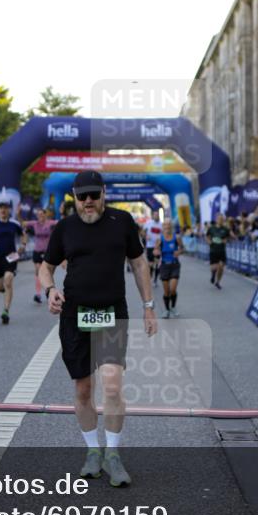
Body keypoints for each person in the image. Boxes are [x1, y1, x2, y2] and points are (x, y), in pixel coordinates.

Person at [39, 170, 157, 487]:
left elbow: (139, 263)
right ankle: (93, 450)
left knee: (113, 384)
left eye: (94, 195)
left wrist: (148, 306)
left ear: (104, 193)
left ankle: (114, 455)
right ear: (74, 198)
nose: (88, 202)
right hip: (75, 314)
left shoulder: (122, 223)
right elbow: (46, 267)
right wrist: (50, 291)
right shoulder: (64, 228)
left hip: (111, 311)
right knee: (83, 389)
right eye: (82, 197)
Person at [0, 200, 27, 324]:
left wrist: (23, 245)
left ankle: (6, 311)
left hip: (11, 256)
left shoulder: (14, 223)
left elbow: (23, 234)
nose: (3, 210)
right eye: (1, 208)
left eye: (5, 208)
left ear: (9, 210)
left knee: (8, 280)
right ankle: (6, 290)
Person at [24, 207, 56, 304]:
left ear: (45, 215)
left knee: (49, 274)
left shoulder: (50, 223)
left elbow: (62, 223)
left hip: (48, 252)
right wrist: (18, 215)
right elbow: (23, 223)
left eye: (42, 214)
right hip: (37, 251)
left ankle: (50, 291)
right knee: (38, 272)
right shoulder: (34, 223)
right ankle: (38, 294)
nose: (40, 216)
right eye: (39, 215)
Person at [155, 218, 184, 318]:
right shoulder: (160, 238)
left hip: (174, 265)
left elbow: (183, 248)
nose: (167, 226)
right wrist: (157, 252)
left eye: (169, 224)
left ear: (171, 226)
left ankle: (173, 307)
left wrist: (179, 252)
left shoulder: (177, 237)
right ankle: (166, 310)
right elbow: (155, 250)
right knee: (166, 291)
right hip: (164, 266)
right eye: (165, 224)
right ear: (163, 226)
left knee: (173, 289)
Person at [141, 210, 163, 284]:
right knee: (150, 264)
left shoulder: (161, 224)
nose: (157, 216)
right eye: (155, 215)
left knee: (157, 263)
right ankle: (150, 276)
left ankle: (155, 280)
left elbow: (163, 234)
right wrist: (145, 236)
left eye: (158, 215)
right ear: (153, 216)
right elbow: (142, 232)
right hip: (150, 246)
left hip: (157, 247)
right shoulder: (148, 223)